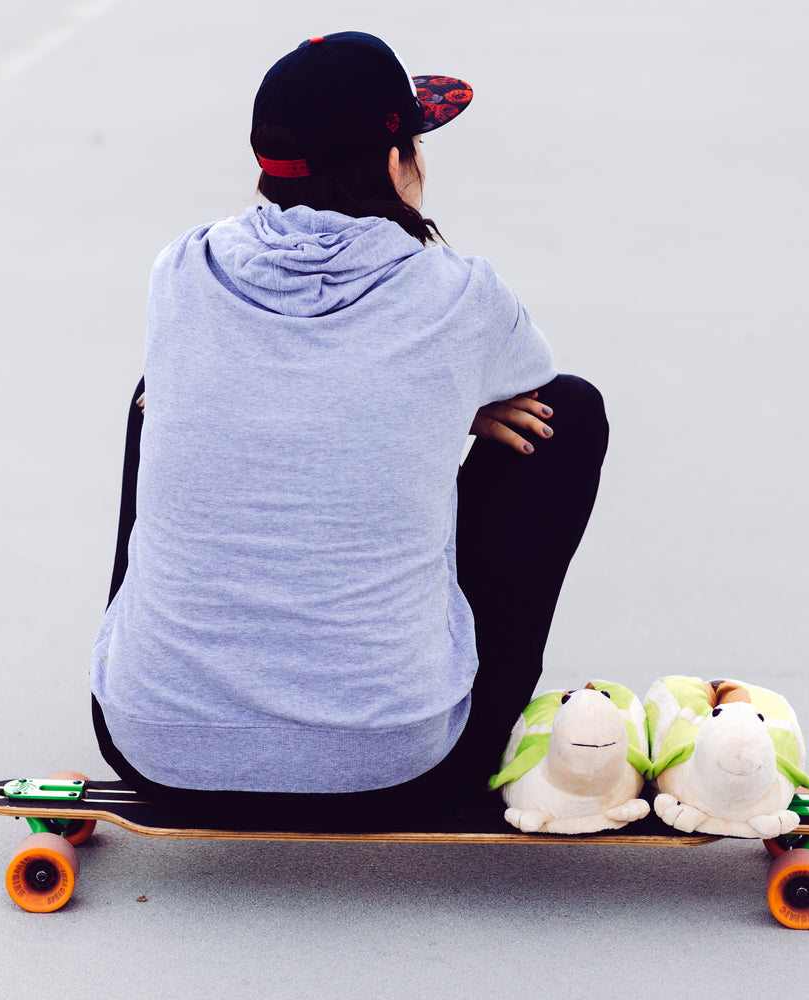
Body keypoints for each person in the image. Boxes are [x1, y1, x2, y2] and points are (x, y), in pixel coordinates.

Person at [89, 31, 608, 830]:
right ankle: (427, 711)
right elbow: (526, 383)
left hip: (154, 749)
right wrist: (450, 401)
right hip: (398, 769)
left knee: (155, 394)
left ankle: (175, 680)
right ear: (399, 157)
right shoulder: (460, 296)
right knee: (566, 413)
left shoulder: (181, 272)